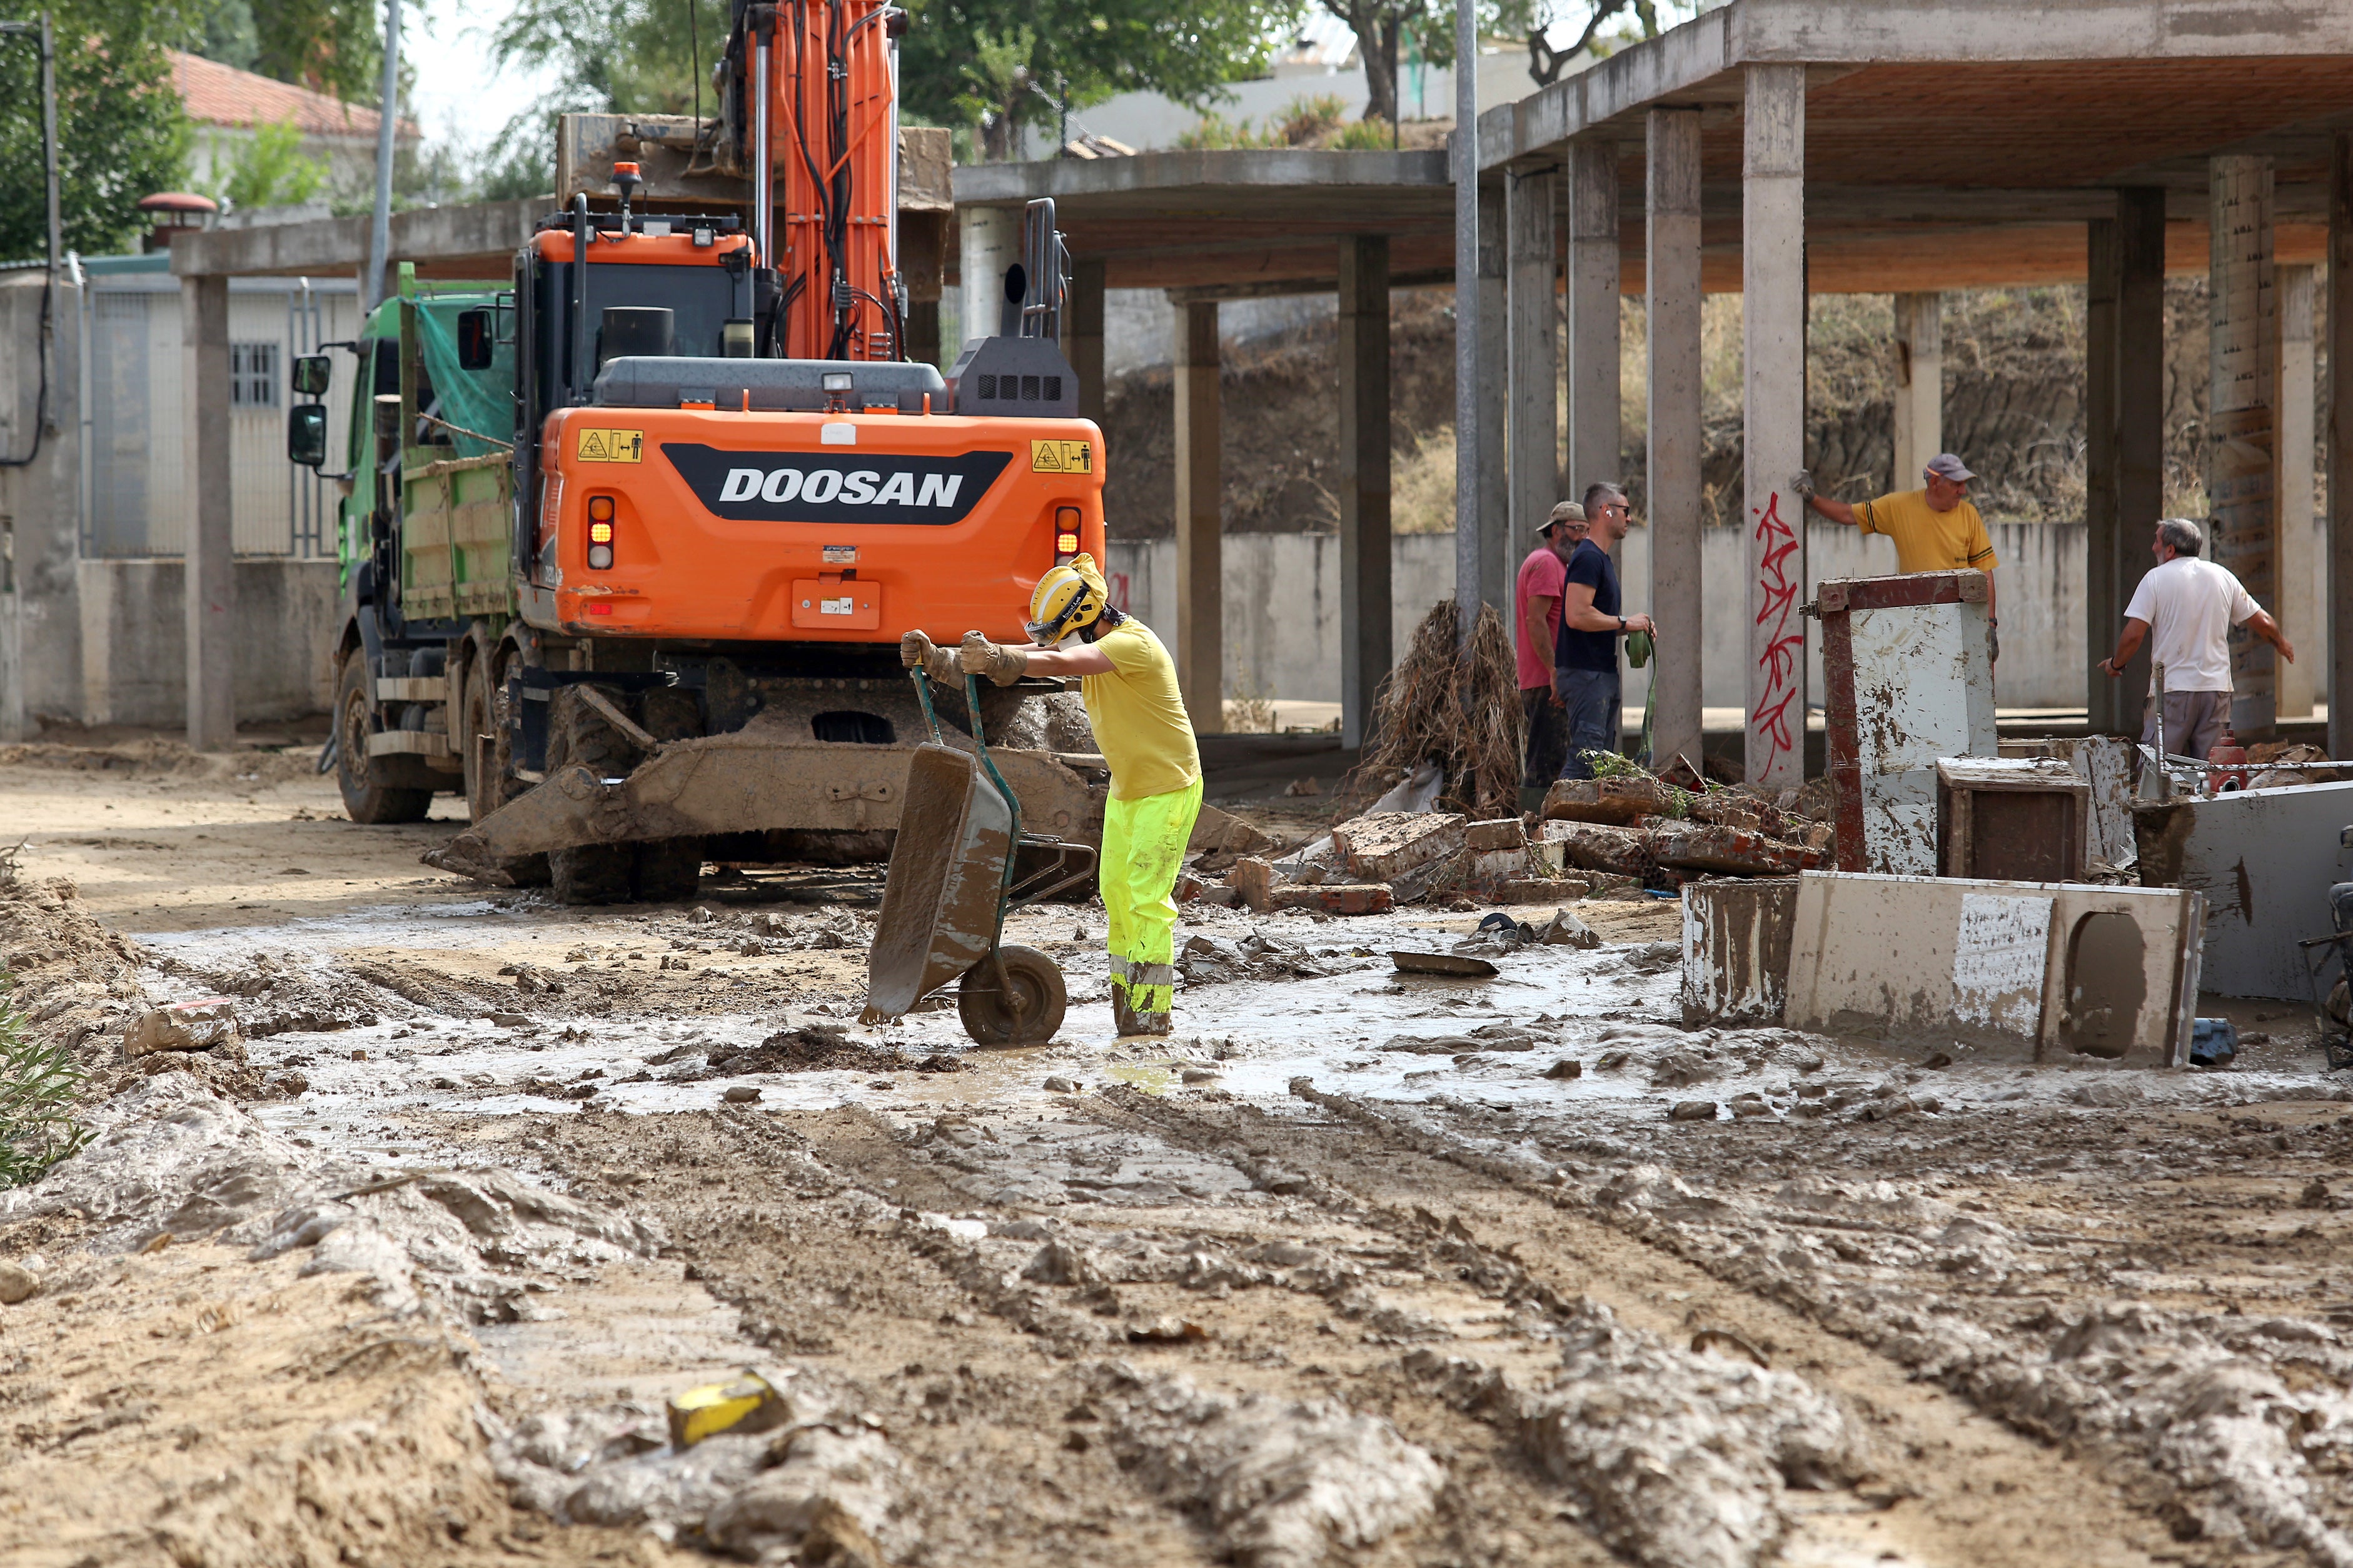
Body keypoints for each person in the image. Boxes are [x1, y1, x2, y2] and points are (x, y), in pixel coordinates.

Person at [908, 554, 1200, 1038]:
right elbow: (1034, 664)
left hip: (1167, 789)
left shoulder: (1131, 646)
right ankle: (1130, 1014)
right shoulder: (1098, 650)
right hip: (1130, 792)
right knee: (1118, 896)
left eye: (1061, 632)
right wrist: (945, 660)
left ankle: (1149, 1018)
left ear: (1084, 621)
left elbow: (1061, 660)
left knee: (1146, 901)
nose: (1055, 642)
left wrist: (1005, 657)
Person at [2099, 516, 2294, 761]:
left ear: (2170, 549)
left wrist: (2116, 664)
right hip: (2217, 692)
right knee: (2209, 774)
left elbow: (2133, 635)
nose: (2153, 548)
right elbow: (2263, 622)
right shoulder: (2222, 576)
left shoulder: (2155, 579)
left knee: (2157, 774)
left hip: (2173, 691)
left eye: (2157, 542)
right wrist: (2283, 644)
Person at [1798, 452, 2000, 653]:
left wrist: (1990, 626)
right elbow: (1847, 514)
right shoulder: (1898, 507)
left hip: (1961, 620)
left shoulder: (1969, 514)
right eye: (1957, 484)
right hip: (1916, 621)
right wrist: (1811, 498)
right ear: (1935, 483)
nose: (1963, 491)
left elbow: (1985, 573)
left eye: (1964, 484)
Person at [1555, 483, 1656, 780]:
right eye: (1625, 511)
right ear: (1606, 510)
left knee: (1598, 763)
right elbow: (1577, 615)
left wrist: (1635, 628)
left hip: (1599, 674)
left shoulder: (1600, 559)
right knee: (1585, 762)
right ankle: (1556, 825)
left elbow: (1593, 620)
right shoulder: (1588, 557)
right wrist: (1626, 623)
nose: (1629, 518)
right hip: (1586, 675)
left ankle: (1582, 825)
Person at [1514, 500, 1587, 812]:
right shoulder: (1545, 563)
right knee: (1545, 763)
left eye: (1586, 530)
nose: (1582, 537)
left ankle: (1544, 834)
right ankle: (1533, 835)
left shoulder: (1560, 566)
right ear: (1555, 531)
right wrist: (1554, 671)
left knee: (1555, 761)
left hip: (1552, 679)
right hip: (1547, 682)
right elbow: (1536, 621)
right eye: (1575, 530)